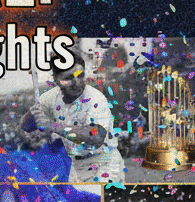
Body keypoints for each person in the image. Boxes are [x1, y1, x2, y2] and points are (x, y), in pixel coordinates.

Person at [22, 48, 123, 183]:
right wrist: (33, 115)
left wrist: (52, 126)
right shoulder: (50, 97)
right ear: (56, 80)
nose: (77, 82)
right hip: (74, 166)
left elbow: (95, 136)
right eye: (68, 78)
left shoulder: (95, 98)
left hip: (104, 165)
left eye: (80, 75)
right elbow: (25, 126)